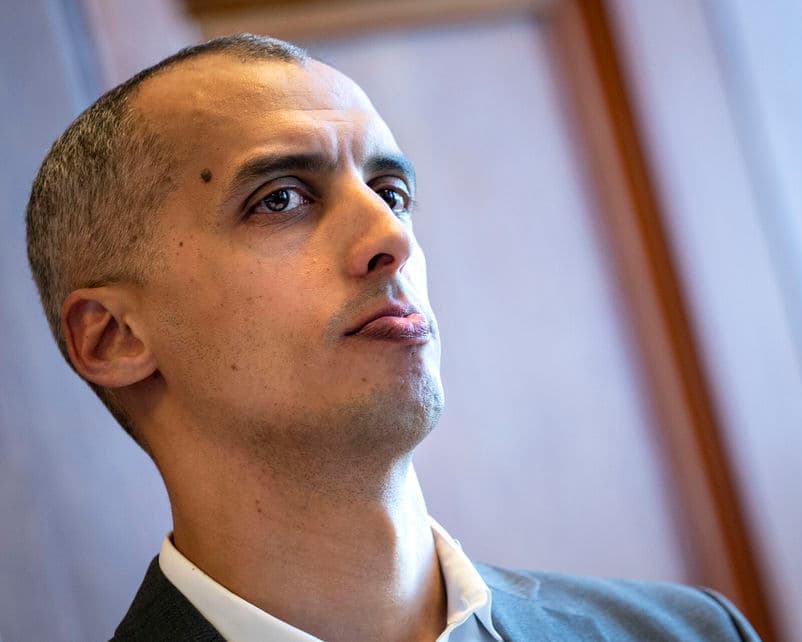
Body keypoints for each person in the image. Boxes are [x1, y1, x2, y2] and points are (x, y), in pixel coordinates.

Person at [26, 33, 760, 642]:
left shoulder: (688, 633)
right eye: (280, 199)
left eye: (392, 193)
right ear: (115, 337)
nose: (391, 237)